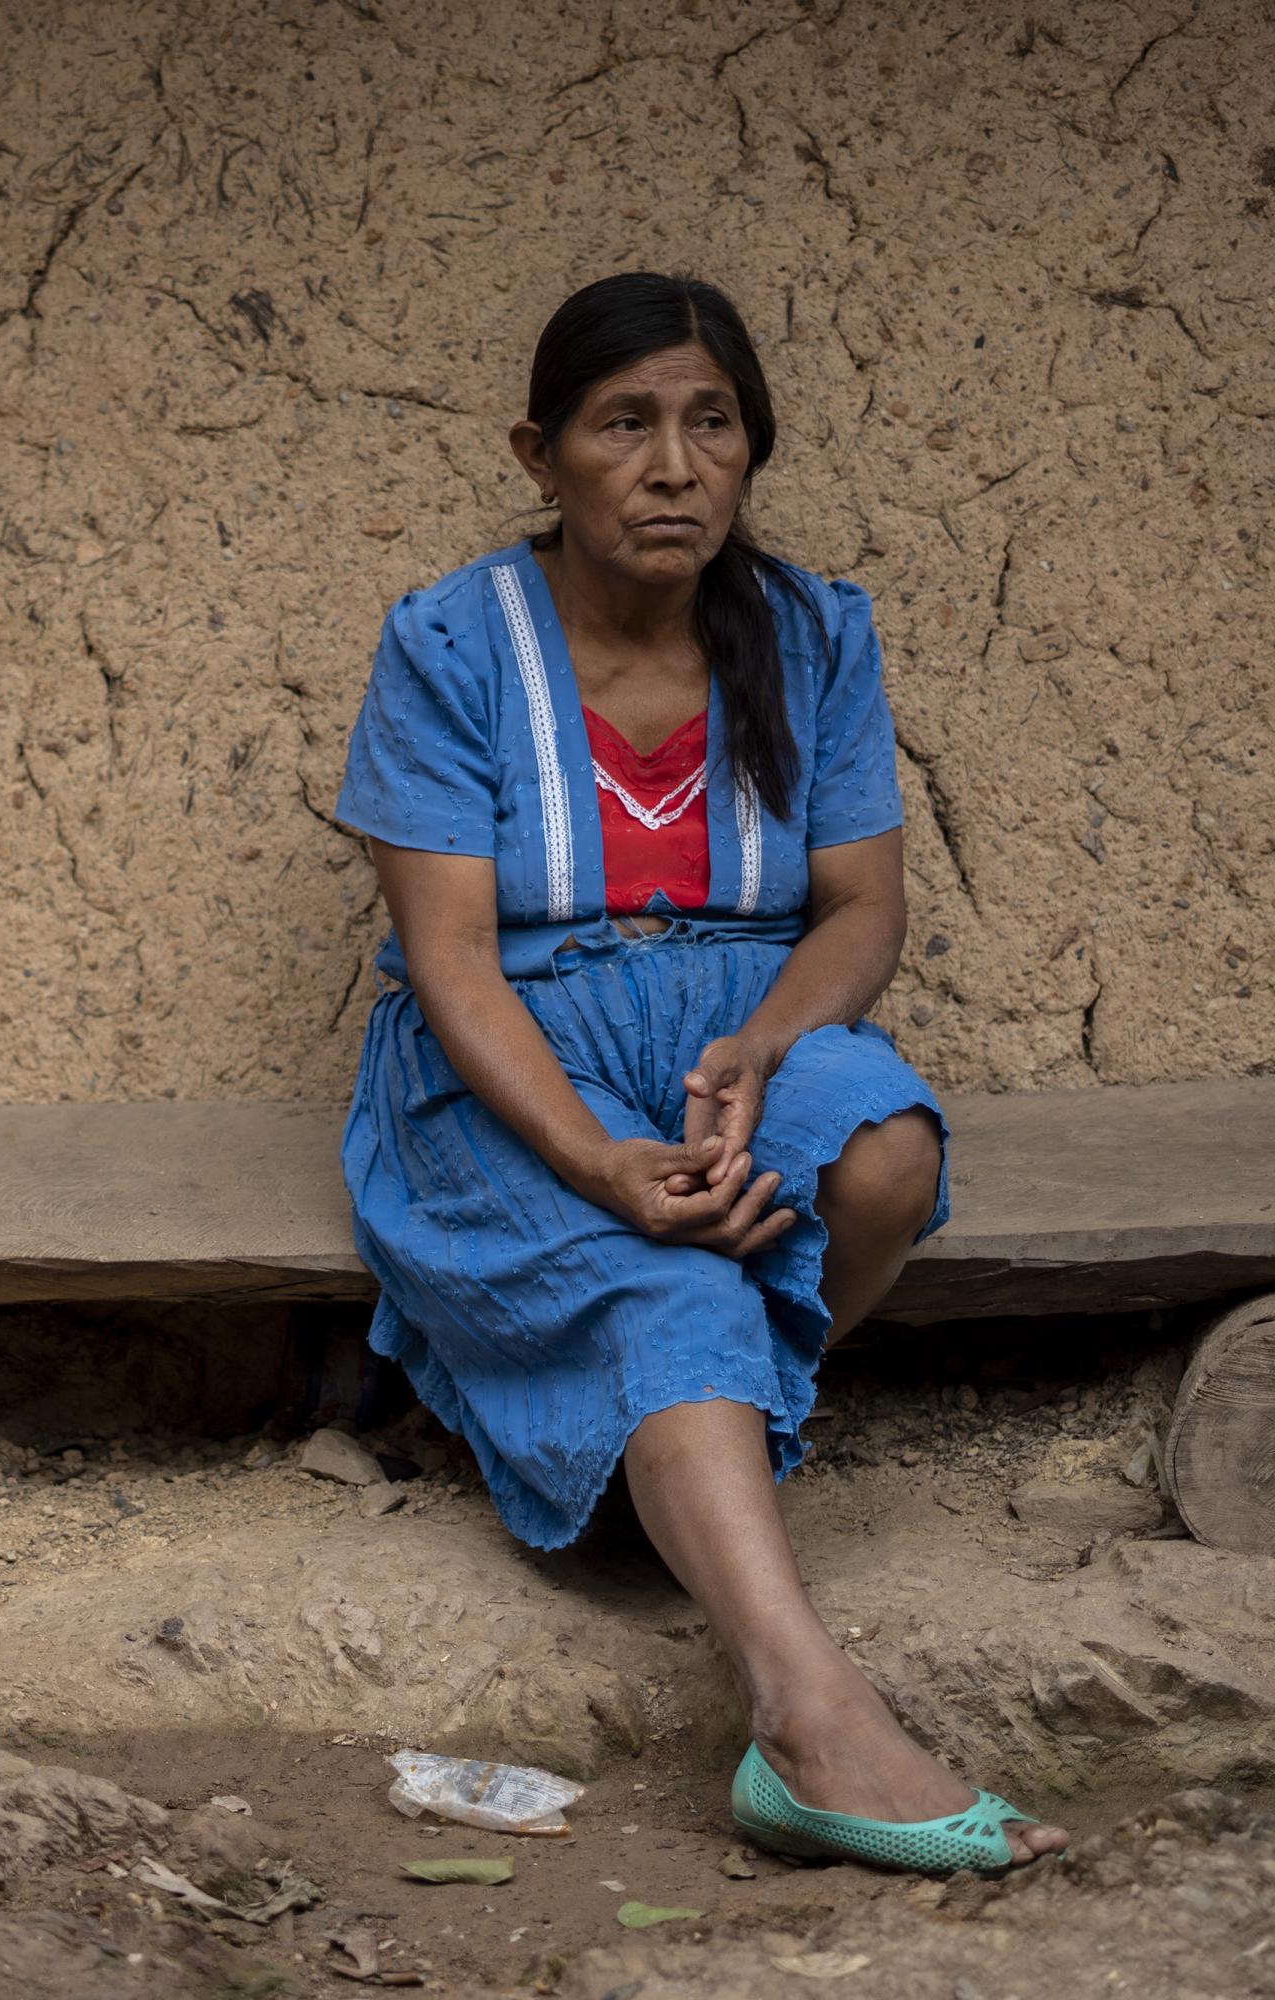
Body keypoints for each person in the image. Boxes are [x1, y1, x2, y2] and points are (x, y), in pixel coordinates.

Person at [333, 272, 1066, 1876]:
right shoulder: (451, 642)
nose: (674, 465)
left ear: (751, 449)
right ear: (543, 454)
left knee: (880, 1157)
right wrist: (599, 1156)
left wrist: (766, 1046)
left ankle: (675, 1468)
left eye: (711, 422)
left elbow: (862, 905)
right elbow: (451, 959)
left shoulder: (814, 635)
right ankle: (808, 1722)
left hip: (743, 1026)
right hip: (515, 1058)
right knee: (676, 1288)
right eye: (626, 424)